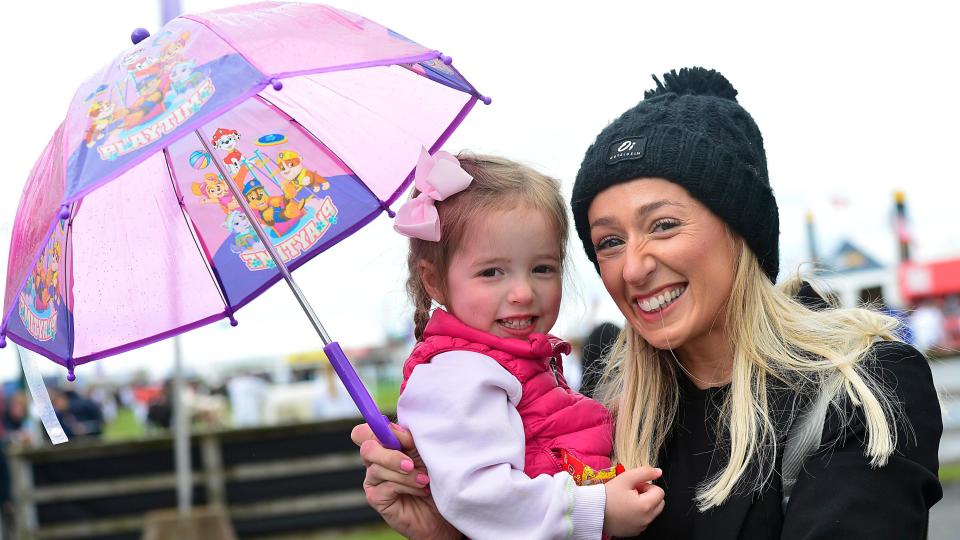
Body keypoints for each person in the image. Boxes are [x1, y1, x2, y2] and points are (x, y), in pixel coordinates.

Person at [352, 67, 943, 539]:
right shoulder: (605, 405)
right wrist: (455, 531)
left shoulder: (861, 387)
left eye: (662, 225)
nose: (632, 266)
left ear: (739, 229)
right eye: (609, 242)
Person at [379, 148, 666, 539]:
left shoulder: (512, 360)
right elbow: (479, 496)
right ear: (434, 281)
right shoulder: (459, 373)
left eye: (542, 268)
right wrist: (595, 510)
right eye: (491, 272)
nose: (522, 292)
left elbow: (545, 440)